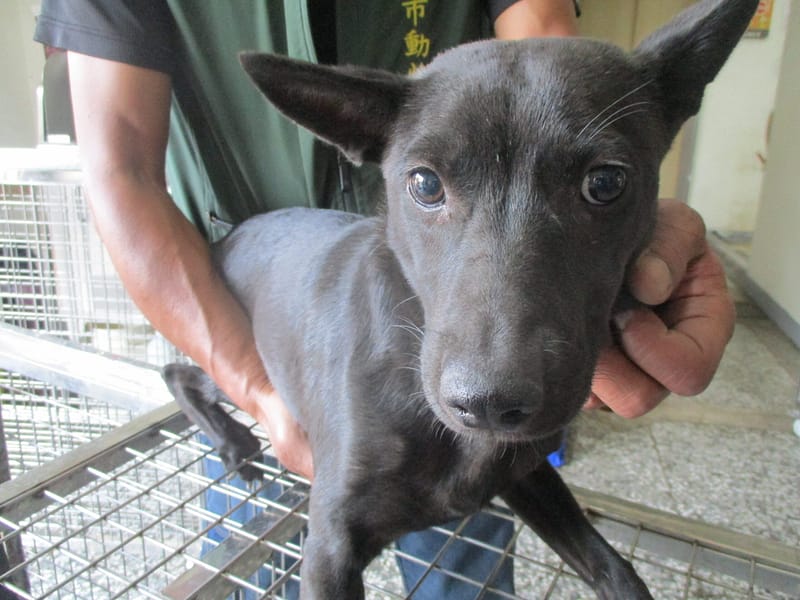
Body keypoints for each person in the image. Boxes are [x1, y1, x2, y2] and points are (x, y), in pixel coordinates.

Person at [34, 1, 735, 597]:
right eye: (429, 185)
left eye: (603, 184)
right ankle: (198, 384)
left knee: (470, 551)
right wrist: (259, 391)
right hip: (238, 296)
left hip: (397, 279)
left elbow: (539, 48)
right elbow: (121, 169)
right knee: (263, 566)